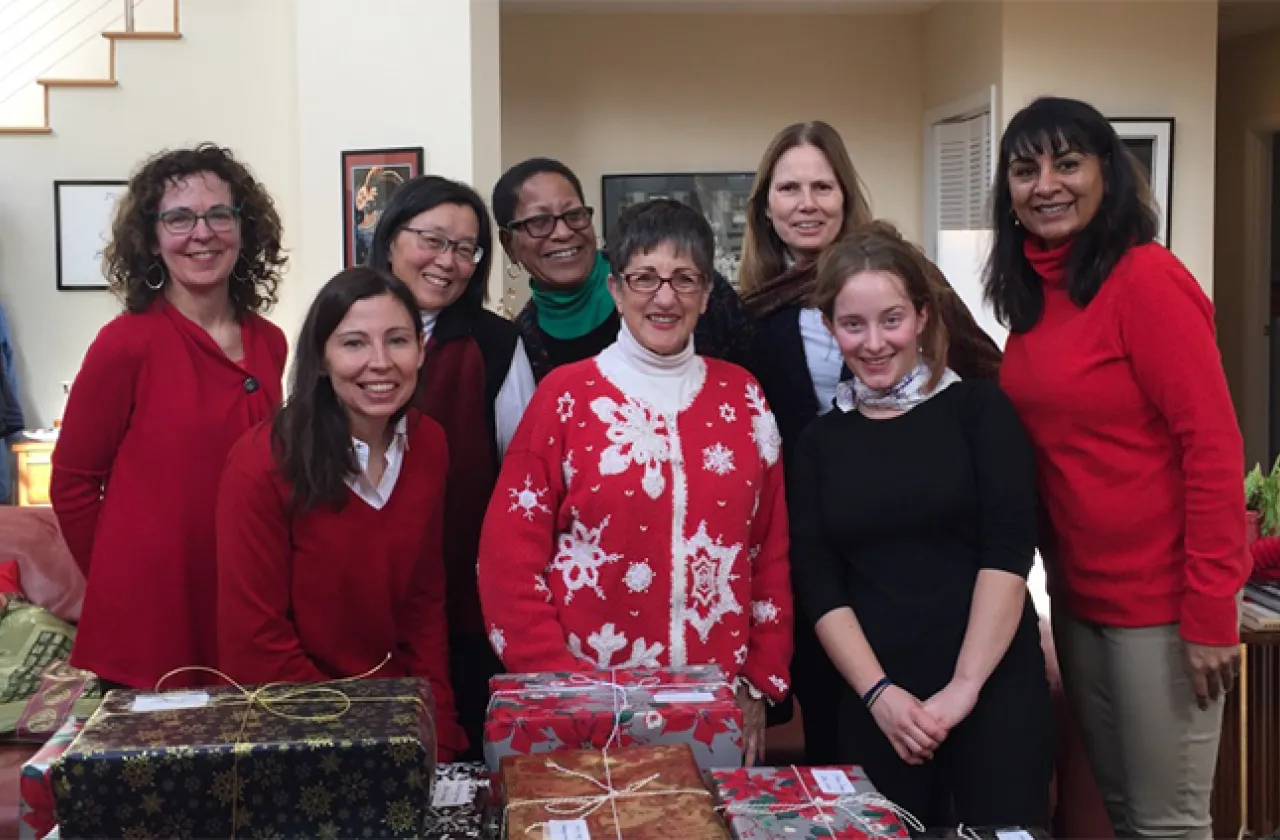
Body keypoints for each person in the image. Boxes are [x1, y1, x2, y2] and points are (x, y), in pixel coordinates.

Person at [986, 96, 1250, 840]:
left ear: (1108, 173)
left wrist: (1210, 611)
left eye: (1068, 164)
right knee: (1124, 816)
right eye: (1026, 169)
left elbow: (1213, 450)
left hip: (1164, 608)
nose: (1046, 185)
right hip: (1080, 601)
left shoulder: (1147, 280)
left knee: (1168, 826)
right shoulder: (1036, 296)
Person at [477, 199, 794, 766]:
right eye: (645, 278)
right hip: (586, 709)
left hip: (715, 709)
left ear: (706, 293)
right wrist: (565, 688)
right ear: (616, 289)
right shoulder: (564, 398)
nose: (665, 298)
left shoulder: (743, 396)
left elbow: (769, 551)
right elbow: (507, 563)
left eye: (684, 279)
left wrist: (757, 683)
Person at [738, 120, 1005, 762]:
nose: (807, 204)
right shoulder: (750, 314)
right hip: (815, 556)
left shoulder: (909, 280)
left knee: (949, 740)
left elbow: (986, 373)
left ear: (845, 195)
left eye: (822, 186)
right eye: (790, 189)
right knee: (839, 736)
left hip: (919, 549)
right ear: (766, 208)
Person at [790, 222, 1052, 828]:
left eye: (892, 320)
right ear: (830, 327)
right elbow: (818, 580)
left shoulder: (980, 411)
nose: (874, 343)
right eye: (853, 325)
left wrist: (963, 689)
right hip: (877, 702)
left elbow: (1009, 551)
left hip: (993, 690)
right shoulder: (819, 443)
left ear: (923, 316)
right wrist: (880, 695)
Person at [51, 144, 288, 689]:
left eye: (219, 215)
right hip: (152, 622)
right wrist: (120, 584)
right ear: (153, 239)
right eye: (179, 218)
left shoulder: (270, 342)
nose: (202, 233)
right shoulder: (124, 344)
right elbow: (73, 483)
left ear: (244, 229)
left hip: (243, 605)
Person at [216, 266, 465, 761]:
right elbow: (255, 642)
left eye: (397, 340)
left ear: (421, 350)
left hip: (399, 719)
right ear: (322, 359)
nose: (381, 363)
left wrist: (438, 728)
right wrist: (364, 742)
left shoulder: (430, 445)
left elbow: (423, 607)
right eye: (354, 344)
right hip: (295, 729)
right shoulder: (261, 462)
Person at [366, 175, 535, 760]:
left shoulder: (496, 345)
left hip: (463, 605)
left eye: (465, 249)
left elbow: (524, 482)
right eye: (433, 240)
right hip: (357, 601)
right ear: (391, 239)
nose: (447, 262)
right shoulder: (341, 326)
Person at [492, 157, 755, 381]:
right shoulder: (520, 347)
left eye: (574, 215)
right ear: (508, 243)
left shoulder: (684, 284)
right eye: (539, 222)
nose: (563, 232)